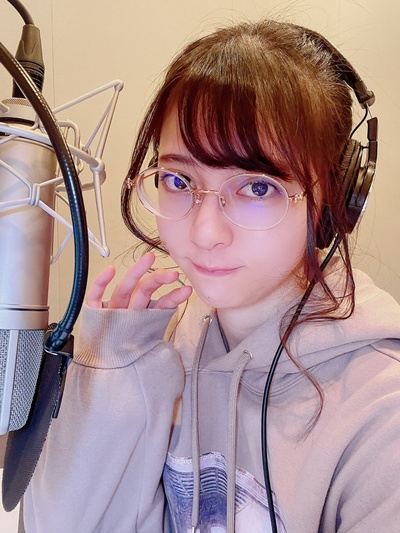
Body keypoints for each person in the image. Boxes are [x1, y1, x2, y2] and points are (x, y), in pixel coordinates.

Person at [23, 18, 400, 533]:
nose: (204, 232)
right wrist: (111, 376)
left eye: (257, 188)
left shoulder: (382, 408)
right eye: (179, 179)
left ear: (333, 201)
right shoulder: (165, 341)